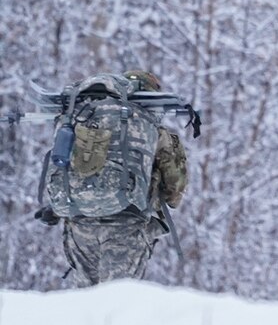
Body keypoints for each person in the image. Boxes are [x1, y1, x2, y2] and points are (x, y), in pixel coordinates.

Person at [38, 70, 188, 285]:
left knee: (84, 305)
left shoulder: (82, 119)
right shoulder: (157, 133)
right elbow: (175, 192)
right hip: (126, 225)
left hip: (78, 226)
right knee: (117, 304)